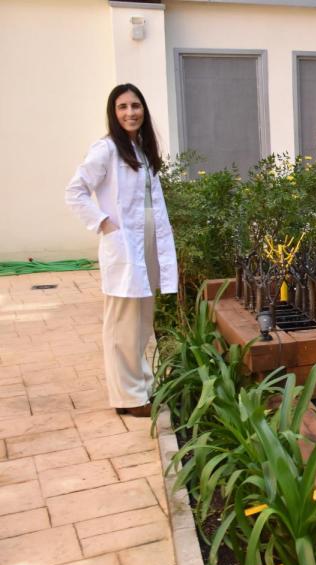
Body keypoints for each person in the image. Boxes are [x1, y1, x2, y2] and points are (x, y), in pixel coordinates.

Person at [66, 84, 178, 417]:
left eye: (135, 105)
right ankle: (127, 397)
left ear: (144, 109)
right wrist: (103, 224)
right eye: (122, 107)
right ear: (113, 113)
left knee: (142, 321)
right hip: (124, 243)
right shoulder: (106, 149)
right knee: (122, 323)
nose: (130, 112)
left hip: (146, 241)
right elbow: (75, 192)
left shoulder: (140, 148)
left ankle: (141, 386)